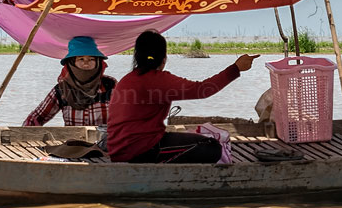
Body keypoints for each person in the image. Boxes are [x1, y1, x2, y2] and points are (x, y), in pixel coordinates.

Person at [106, 30, 255, 162]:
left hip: (118, 150)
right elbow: (202, 90)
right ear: (163, 59)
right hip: (139, 151)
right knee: (211, 147)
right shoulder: (157, 79)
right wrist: (236, 68)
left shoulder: (128, 79)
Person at [22, 35, 118, 127]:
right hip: (73, 142)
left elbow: (126, 114)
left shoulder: (109, 85)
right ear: (72, 63)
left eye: (91, 59)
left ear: (98, 63)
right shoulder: (62, 89)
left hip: (105, 141)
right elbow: (36, 118)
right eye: (81, 59)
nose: (86, 64)